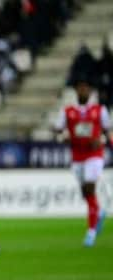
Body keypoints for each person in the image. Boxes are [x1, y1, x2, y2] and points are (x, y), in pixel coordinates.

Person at [53, 77, 111, 247]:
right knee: (86, 193)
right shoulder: (68, 111)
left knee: (89, 187)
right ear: (76, 91)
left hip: (94, 155)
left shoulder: (100, 110)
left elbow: (108, 132)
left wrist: (101, 140)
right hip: (77, 156)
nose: (83, 91)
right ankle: (98, 211)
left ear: (90, 91)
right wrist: (63, 137)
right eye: (80, 88)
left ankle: (91, 232)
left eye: (86, 88)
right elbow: (57, 130)